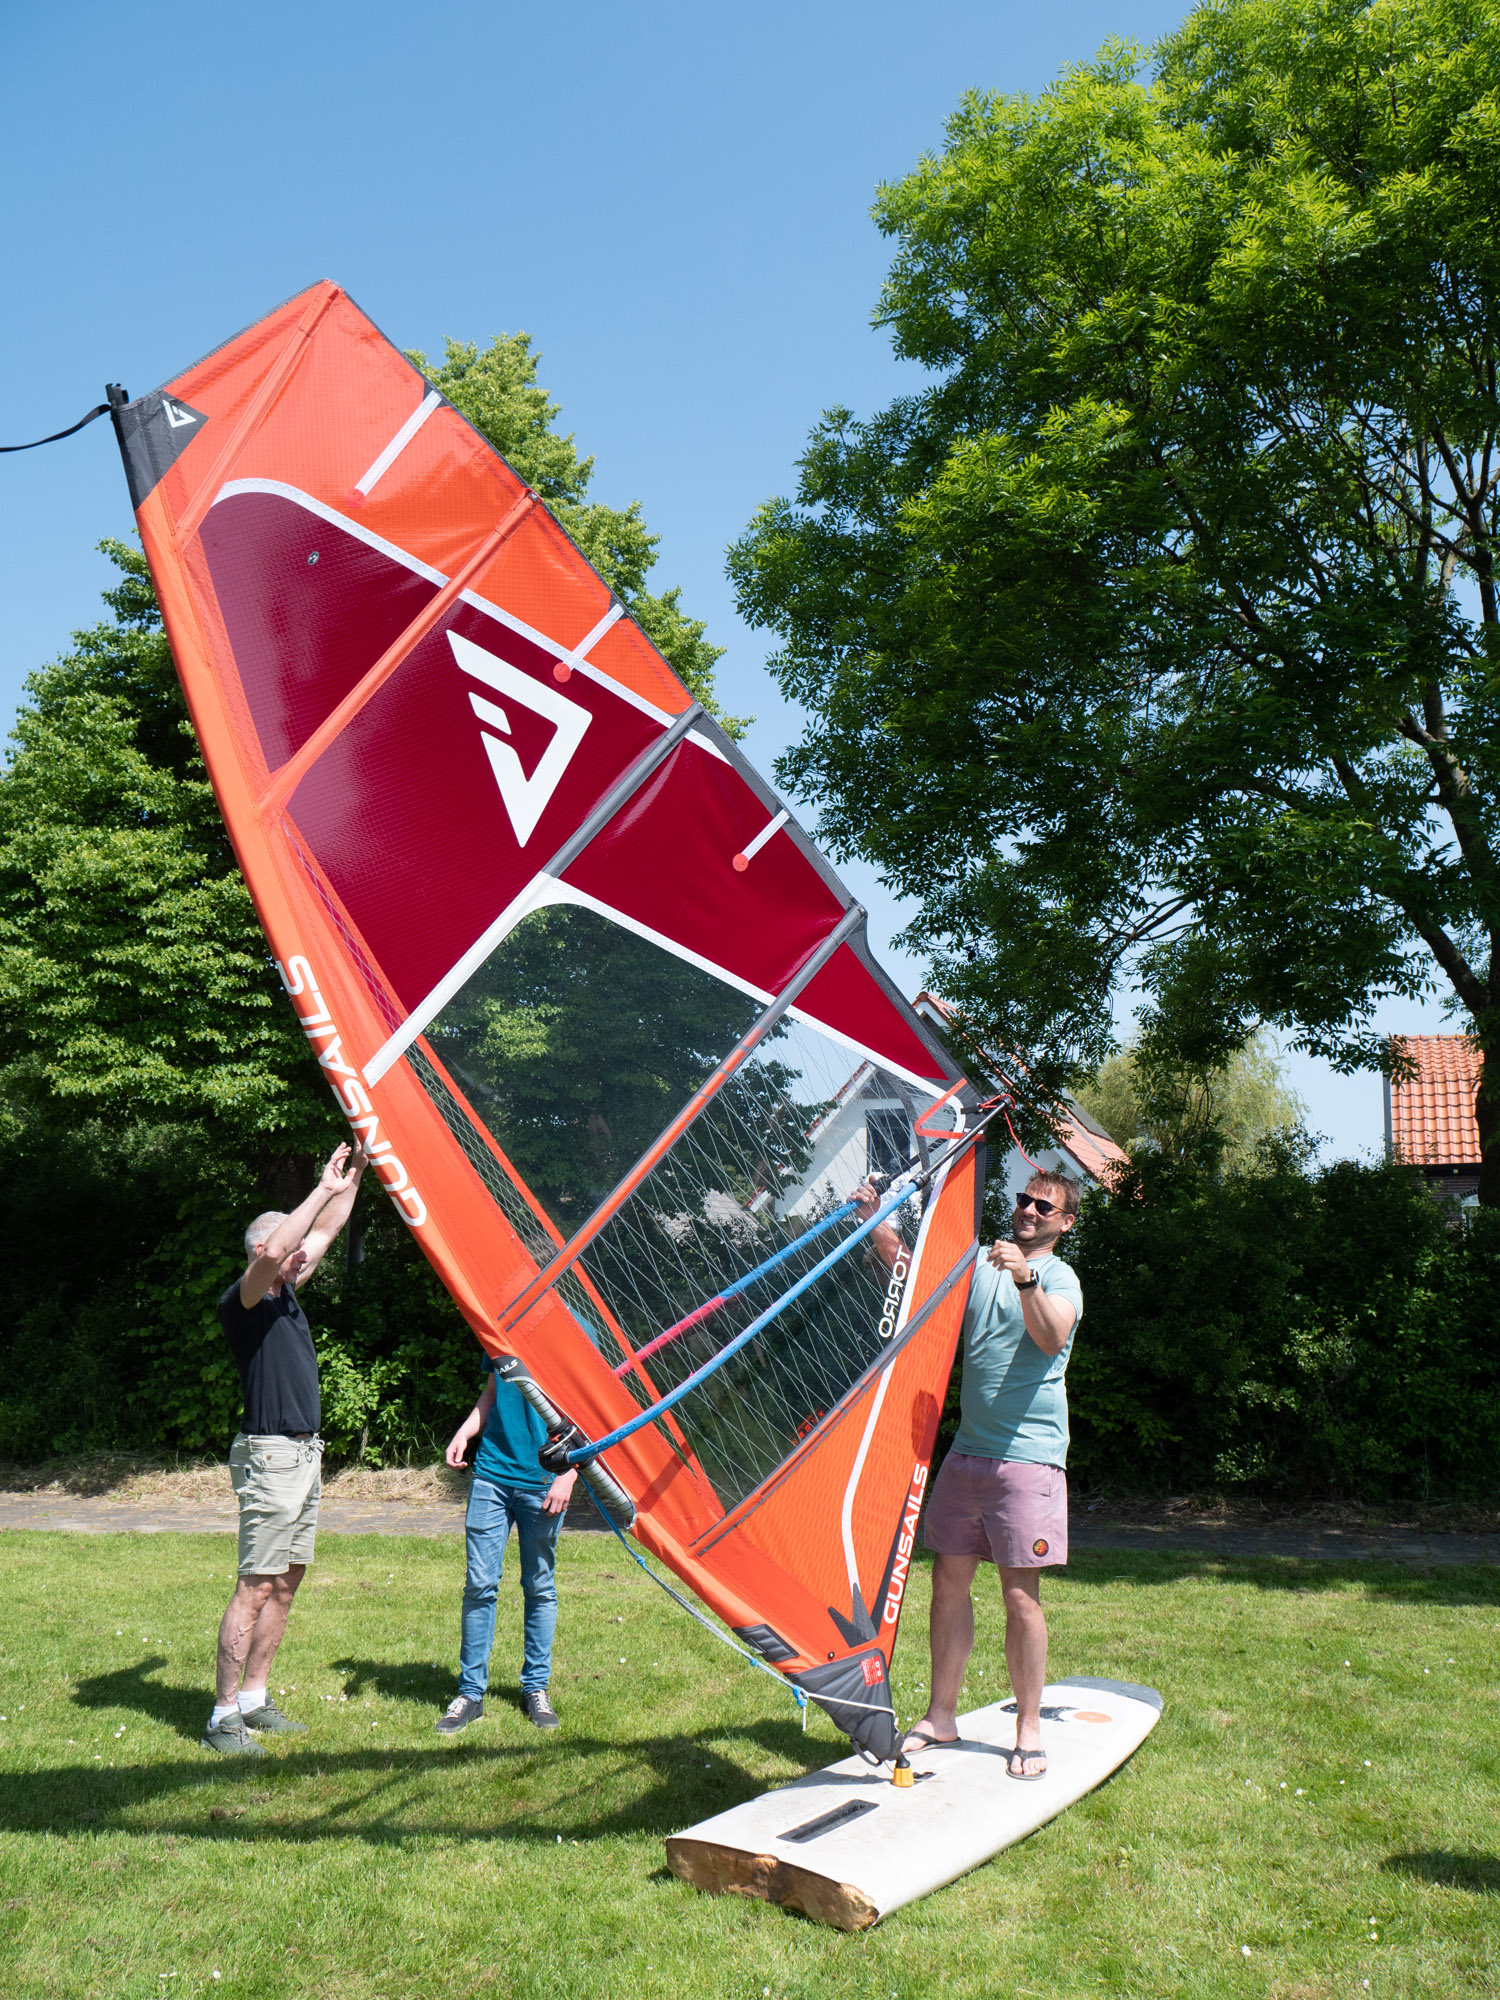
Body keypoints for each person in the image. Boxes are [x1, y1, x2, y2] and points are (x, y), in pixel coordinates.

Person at [854, 1167, 1083, 1781]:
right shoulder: (982, 1264)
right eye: (1024, 1199)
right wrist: (877, 1224)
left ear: (1065, 1222)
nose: (1028, 1209)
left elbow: (1050, 1335)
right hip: (968, 1452)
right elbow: (915, 1278)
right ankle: (941, 1716)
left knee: (1019, 1597)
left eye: (1044, 1206)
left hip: (1029, 1459)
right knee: (948, 1584)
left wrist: (1025, 1277)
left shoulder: (1059, 1277)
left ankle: (1028, 1728)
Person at [202, 1141, 368, 1756]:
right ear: (263, 1253)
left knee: (287, 1581)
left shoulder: (287, 1293)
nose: (303, 1255)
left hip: (304, 1455)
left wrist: (358, 1169)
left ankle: (254, 1699)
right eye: (291, 1249)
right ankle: (222, 1718)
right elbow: (280, 1248)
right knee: (255, 1585)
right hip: (269, 1456)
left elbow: (328, 1228)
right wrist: (321, 1186)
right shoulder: (243, 1301)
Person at [434, 1354, 577, 1735]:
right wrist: (465, 1432)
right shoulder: (498, 1334)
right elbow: (493, 1392)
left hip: (544, 1480)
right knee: (479, 1586)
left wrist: (569, 1474)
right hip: (491, 1477)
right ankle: (470, 1694)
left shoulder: (575, 1334)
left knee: (539, 1586)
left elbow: (588, 1413)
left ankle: (535, 1689)